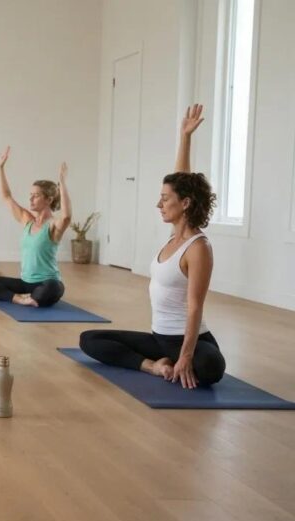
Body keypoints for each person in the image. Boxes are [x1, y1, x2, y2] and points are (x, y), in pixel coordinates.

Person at [80, 104, 225, 388]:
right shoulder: (173, 236)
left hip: (190, 341)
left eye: (165, 198)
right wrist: (185, 138)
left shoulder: (198, 248)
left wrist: (186, 356)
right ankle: (153, 366)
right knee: (90, 339)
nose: (159, 204)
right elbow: (182, 181)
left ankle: (178, 361)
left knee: (212, 366)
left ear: (185, 203)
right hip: (160, 340)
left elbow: (195, 307)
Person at [0, 148, 72, 307]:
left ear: (48, 200)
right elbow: (7, 197)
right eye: (30, 195)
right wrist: (0, 168)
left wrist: (61, 182)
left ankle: (33, 297)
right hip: (25, 283)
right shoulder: (28, 220)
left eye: (36, 195)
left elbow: (67, 216)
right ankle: (20, 298)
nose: (31, 199)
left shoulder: (53, 225)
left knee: (55, 288)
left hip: (46, 283)